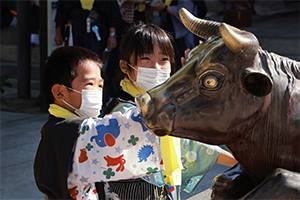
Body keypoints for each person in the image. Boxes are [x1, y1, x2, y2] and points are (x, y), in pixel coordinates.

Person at [101, 22, 237, 200]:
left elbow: (190, 145)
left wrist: (242, 161)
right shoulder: (123, 112)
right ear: (125, 67)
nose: (156, 67)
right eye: (145, 59)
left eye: (164, 59)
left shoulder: (162, 106)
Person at [34, 46, 165, 200]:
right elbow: (124, 127)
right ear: (59, 92)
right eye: (90, 84)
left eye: (100, 85)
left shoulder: (57, 127)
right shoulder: (70, 130)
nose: (97, 91)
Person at [151, 0, 198, 70]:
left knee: (184, 60)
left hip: (183, 34)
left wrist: (165, 7)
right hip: (171, 33)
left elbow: (186, 15)